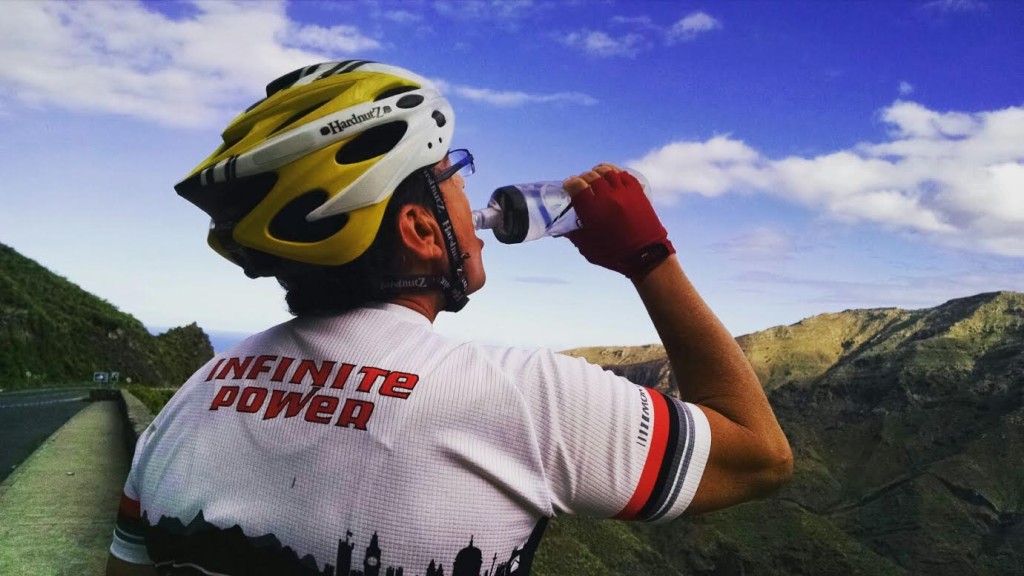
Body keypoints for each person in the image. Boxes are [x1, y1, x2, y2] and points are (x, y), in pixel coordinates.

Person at [107, 61, 792, 576]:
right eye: (452, 172)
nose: (470, 195)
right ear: (419, 229)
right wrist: (649, 257)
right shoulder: (524, 397)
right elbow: (760, 457)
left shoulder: (192, 398)